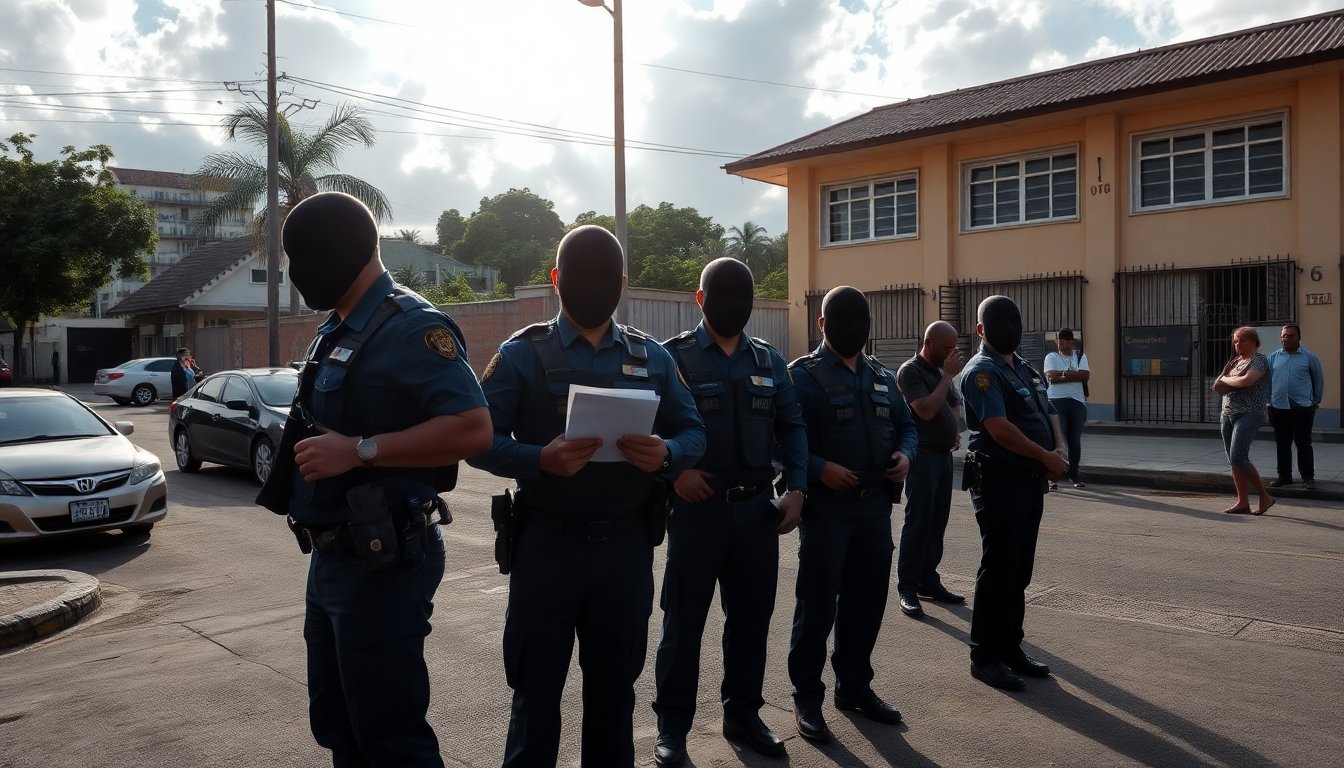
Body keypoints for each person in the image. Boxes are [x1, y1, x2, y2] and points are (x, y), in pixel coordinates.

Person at [255, 191, 494, 767]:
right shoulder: (337, 328)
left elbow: (474, 427)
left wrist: (360, 451)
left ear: (345, 250)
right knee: (340, 726)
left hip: (384, 562)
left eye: (303, 256)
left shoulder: (412, 327)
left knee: (391, 740)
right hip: (332, 558)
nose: (295, 272)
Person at [467, 225, 706, 767]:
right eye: (581, 275)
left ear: (622, 283)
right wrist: (539, 459)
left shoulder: (653, 358)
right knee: (535, 697)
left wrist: (666, 453)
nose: (594, 286)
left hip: (624, 549)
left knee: (614, 698)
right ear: (556, 279)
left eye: (606, 277)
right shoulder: (523, 354)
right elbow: (478, 439)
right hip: (546, 548)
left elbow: (694, 431)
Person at [651, 258, 808, 766]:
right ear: (700, 299)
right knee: (684, 625)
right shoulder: (671, 357)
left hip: (757, 513)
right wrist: (673, 473)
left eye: (744, 297)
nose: (735, 306)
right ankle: (672, 726)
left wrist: (798, 488)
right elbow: (645, 429)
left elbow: (793, 427)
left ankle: (743, 713)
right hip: (696, 513)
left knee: (750, 622)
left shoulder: (769, 360)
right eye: (723, 296)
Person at [786, 286, 917, 744]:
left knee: (866, 604)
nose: (853, 329)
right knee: (817, 606)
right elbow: (782, 439)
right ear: (821, 324)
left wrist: (906, 454)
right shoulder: (801, 376)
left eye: (861, 320)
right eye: (842, 319)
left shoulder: (881, 374)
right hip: (827, 511)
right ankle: (807, 697)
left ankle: (854, 686)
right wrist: (819, 469)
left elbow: (907, 425)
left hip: (874, 509)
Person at [960, 295, 1068, 692]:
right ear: (981, 330)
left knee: (1019, 568)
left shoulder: (1023, 367)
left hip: (1029, 479)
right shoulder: (982, 371)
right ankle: (985, 657)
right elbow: (998, 428)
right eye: (999, 322)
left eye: (1014, 321)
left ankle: (1010, 647)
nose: (1009, 329)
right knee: (999, 568)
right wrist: (1045, 455)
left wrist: (1059, 450)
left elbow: (1048, 411)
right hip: (999, 479)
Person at [894, 320, 966, 620]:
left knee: (937, 523)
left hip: (943, 456)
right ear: (929, 343)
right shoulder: (911, 371)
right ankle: (908, 588)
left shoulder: (937, 372)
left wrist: (952, 429)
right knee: (919, 522)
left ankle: (928, 580)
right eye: (947, 348)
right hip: (922, 456)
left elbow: (955, 405)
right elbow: (924, 409)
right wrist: (947, 376)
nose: (951, 354)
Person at [1212, 327, 1274, 514]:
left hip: (1249, 413)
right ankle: (1242, 502)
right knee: (1233, 460)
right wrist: (1232, 381)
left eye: (1241, 340)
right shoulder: (1234, 362)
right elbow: (1217, 386)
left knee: (1239, 456)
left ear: (1253, 342)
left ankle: (1264, 496)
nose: (1237, 344)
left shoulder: (1259, 360)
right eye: (1235, 341)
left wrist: (1228, 380)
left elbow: (1247, 381)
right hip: (1227, 413)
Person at [1267, 324, 1325, 492]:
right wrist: (1268, 401)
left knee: (1303, 443)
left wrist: (1315, 401)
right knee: (1282, 443)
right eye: (1283, 335)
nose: (1286, 338)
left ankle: (1308, 477)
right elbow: (1268, 381)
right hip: (1279, 407)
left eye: (1290, 335)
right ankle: (1284, 476)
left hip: (1303, 407)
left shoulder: (1309, 357)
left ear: (1299, 337)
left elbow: (1318, 380)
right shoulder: (1273, 357)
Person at [1043, 328, 1089, 489]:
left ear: (1071, 341)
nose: (1060, 343)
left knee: (1074, 440)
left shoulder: (1080, 356)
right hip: (1056, 402)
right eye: (1058, 340)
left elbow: (1085, 376)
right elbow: (1050, 375)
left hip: (1077, 402)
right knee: (1058, 439)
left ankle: (1073, 474)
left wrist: (1061, 376)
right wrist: (1070, 374)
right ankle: (1053, 476)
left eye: (1063, 340)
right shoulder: (1051, 357)